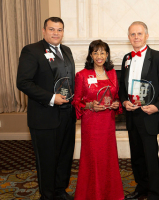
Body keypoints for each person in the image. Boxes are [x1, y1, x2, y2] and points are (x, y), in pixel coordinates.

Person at [17, 17, 75, 200]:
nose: (55, 33)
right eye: (52, 29)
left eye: (59, 30)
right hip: (44, 115)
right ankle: (47, 195)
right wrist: (51, 98)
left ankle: (60, 190)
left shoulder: (66, 51)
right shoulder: (32, 50)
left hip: (67, 115)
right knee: (47, 160)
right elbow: (23, 82)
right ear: (44, 31)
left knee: (65, 157)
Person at [119, 21, 159, 200]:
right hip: (132, 115)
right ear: (129, 37)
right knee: (137, 157)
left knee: (150, 157)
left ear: (146, 36)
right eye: (132, 34)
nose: (136, 37)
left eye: (139, 34)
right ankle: (141, 188)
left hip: (149, 114)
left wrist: (157, 106)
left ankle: (155, 193)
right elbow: (121, 88)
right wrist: (124, 101)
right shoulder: (126, 58)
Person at [71, 40, 124, 200]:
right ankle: (92, 194)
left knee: (108, 157)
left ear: (107, 55)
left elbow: (115, 96)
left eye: (102, 52)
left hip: (108, 123)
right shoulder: (82, 75)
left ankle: (110, 194)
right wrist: (89, 105)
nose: (99, 56)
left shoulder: (113, 73)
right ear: (91, 55)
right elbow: (76, 101)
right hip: (92, 124)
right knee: (93, 157)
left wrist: (116, 104)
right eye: (96, 52)